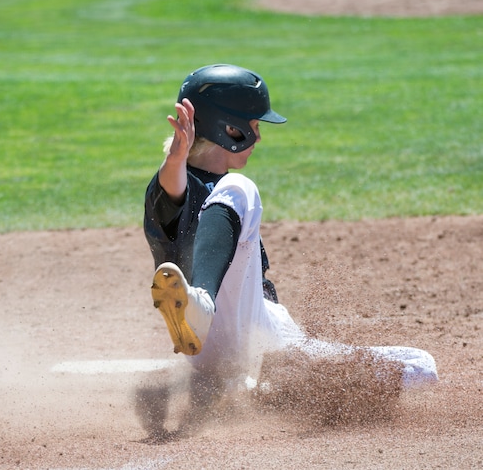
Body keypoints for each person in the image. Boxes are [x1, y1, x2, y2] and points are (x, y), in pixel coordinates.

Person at [143, 64, 437, 411]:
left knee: (421, 367)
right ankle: (204, 310)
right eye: (253, 126)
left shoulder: (217, 199)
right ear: (230, 129)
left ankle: (257, 391)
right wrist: (175, 159)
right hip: (220, 329)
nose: (259, 136)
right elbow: (171, 187)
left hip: (257, 338)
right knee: (240, 187)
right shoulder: (184, 189)